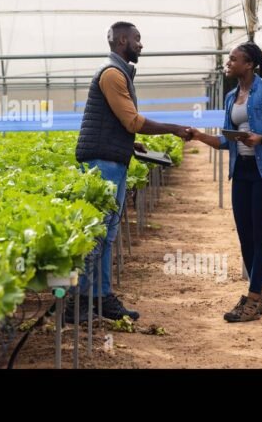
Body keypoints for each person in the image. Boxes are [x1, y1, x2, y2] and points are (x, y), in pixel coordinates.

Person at [68, 21, 192, 322]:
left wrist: (130, 144)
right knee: (96, 236)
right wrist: (174, 129)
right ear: (122, 40)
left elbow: (118, 124)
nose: (141, 44)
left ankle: (100, 297)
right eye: (137, 39)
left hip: (113, 158)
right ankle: (76, 304)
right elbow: (132, 120)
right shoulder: (112, 74)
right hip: (103, 164)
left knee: (107, 235)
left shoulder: (119, 72)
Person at [189, 41, 262, 322]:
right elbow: (228, 141)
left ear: (249, 64)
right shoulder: (231, 97)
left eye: (233, 59)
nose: (229, 62)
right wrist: (199, 135)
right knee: (245, 235)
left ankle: (252, 298)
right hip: (242, 171)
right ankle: (260, 297)